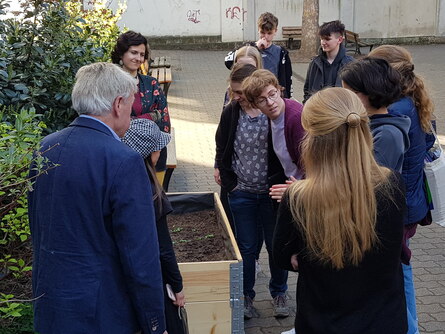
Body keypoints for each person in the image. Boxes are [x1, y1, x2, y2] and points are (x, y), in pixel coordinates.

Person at [27, 62, 167, 334]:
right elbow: (140, 256)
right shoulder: (123, 161)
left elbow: (39, 226)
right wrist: (155, 323)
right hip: (103, 314)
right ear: (117, 104)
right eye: (130, 105)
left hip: (49, 306)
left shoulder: (45, 148)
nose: (131, 112)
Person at [273, 87, 408, 333]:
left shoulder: (299, 198)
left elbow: (282, 256)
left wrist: (301, 257)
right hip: (384, 321)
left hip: (322, 322)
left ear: (311, 141)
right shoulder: (393, 184)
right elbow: (391, 245)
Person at [369, 45, 436, 334]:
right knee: (400, 267)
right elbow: (430, 140)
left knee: (400, 270)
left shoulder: (395, 108)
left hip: (401, 205)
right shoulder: (410, 100)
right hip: (410, 201)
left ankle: (410, 328)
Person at [214, 63, 289, 320]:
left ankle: (279, 293)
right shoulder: (231, 112)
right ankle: (246, 297)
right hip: (242, 193)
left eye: (239, 91)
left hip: (272, 193)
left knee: (276, 244)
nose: (235, 96)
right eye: (233, 91)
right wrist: (230, 184)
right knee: (246, 248)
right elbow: (221, 147)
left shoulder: (272, 110)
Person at [122, 118, 186, 334]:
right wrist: (177, 286)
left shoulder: (120, 180)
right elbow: (164, 248)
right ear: (151, 153)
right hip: (149, 279)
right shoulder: (150, 192)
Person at [111, 30, 171, 183]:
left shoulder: (151, 83)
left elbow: (163, 119)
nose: (138, 58)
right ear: (121, 53)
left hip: (154, 154)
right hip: (121, 156)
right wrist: (150, 116)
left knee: (156, 201)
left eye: (142, 54)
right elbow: (110, 121)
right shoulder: (110, 84)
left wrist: (157, 148)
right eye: (134, 52)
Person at [242, 69, 306, 199]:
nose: (270, 103)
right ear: (255, 105)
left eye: (272, 94)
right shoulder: (271, 118)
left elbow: (313, 165)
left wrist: (300, 189)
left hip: (305, 190)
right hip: (292, 185)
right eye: (262, 100)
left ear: (279, 90)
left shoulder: (296, 118)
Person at [340, 57, 411, 172]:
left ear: (372, 91)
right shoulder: (364, 120)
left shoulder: (386, 135)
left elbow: (370, 179)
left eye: (353, 93)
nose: (347, 98)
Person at [224, 12, 293, 98]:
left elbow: (288, 79)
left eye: (269, 33)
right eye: (262, 32)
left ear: (275, 31)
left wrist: (287, 98)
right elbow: (228, 61)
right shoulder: (248, 47)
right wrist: (255, 47)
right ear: (258, 30)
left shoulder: (281, 53)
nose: (265, 37)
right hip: (250, 94)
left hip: (271, 96)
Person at [303, 20, 354, 104]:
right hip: (317, 111)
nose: (323, 42)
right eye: (321, 39)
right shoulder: (314, 63)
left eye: (327, 39)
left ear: (340, 40)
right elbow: (307, 90)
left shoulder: (351, 65)